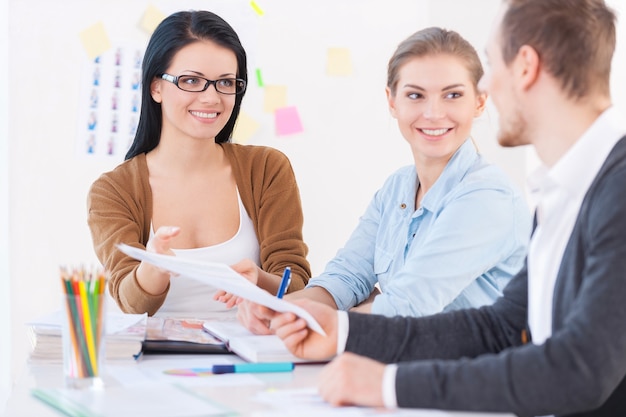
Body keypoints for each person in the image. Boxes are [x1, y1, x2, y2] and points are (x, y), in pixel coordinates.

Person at [266, 1, 626, 415]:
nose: (486, 84)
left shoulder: (615, 189)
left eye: (491, 63)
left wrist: (390, 384)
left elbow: (578, 372)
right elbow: (500, 327)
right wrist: (341, 329)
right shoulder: (563, 189)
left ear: (525, 66)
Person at [236, 26, 531, 333]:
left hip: (469, 373)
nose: (433, 113)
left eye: (453, 95)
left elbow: (408, 306)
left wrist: (312, 318)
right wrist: (282, 310)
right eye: (415, 95)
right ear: (392, 102)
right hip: (405, 362)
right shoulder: (397, 188)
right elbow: (346, 277)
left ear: (480, 102)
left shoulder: (487, 196)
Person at [87, 10, 311, 316]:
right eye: (191, 80)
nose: (211, 98)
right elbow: (131, 302)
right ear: (156, 87)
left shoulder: (266, 169)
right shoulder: (113, 191)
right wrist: (154, 266)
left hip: (251, 356)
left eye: (225, 82)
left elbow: (296, 282)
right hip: (155, 361)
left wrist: (258, 280)